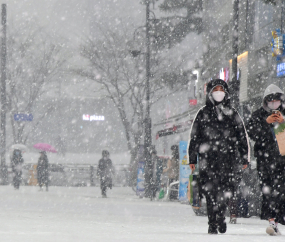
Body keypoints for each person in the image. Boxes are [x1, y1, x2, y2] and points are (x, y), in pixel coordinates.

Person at [188, 79, 249, 234]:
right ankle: (212, 222)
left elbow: (242, 136)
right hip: (207, 160)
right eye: (216, 90)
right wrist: (192, 158)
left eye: (222, 90)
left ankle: (220, 216)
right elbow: (194, 137)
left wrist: (244, 157)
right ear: (210, 93)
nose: (219, 93)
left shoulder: (232, 113)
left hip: (228, 160)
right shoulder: (203, 113)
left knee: (225, 191)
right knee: (210, 192)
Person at [246, 84, 285, 236]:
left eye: (277, 100)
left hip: (282, 160)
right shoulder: (257, 116)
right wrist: (265, 122)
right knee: (268, 191)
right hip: (265, 161)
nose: (274, 103)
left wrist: (283, 122)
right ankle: (271, 221)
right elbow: (252, 134)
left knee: (281, 191)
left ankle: (277, 220)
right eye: (271, 100)